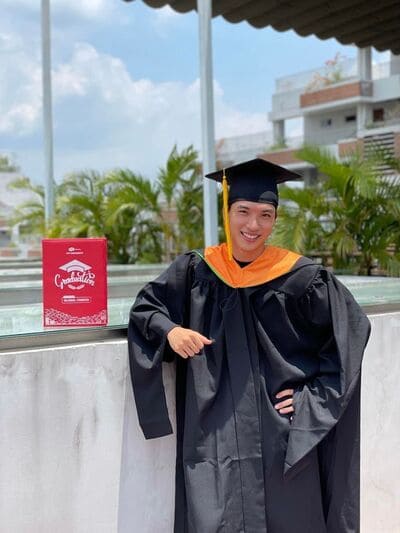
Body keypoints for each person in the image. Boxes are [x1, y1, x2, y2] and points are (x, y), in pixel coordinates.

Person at [128, 158, 370, 533]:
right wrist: (170, 331)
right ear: (227, 212)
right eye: (243, 211)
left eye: (265, 215)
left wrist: (314, 397)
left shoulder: (302, 278)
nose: (253, 225)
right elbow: (147, 308)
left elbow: (349, 334)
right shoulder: (197, 270)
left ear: (275, 219)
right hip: (214, 432)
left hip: (281, 431)